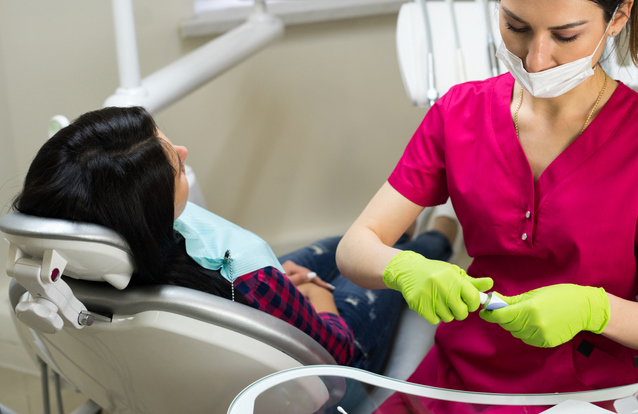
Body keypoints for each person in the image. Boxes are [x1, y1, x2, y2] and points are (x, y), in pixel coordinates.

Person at [335, 0, 638, 405]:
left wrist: (594, 309)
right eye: (516, 27)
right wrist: (404, 269)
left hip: (582, 393)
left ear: (617, 17)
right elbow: (355, 247)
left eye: (565, 34)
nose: (537, 59)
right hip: (456, 378)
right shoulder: (459, 113)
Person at [12, 105, 458, 373]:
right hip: (335, 353)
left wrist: (277, 286)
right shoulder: (247, 282)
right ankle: (439, 233)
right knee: (395, 256)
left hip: (250, 291)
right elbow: (335, 356)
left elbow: (235, 288)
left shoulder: (90, 261)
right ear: (147, 213)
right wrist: (312, 298)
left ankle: (407, 230)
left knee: (344, 242)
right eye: (175, 166)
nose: (184, 152)